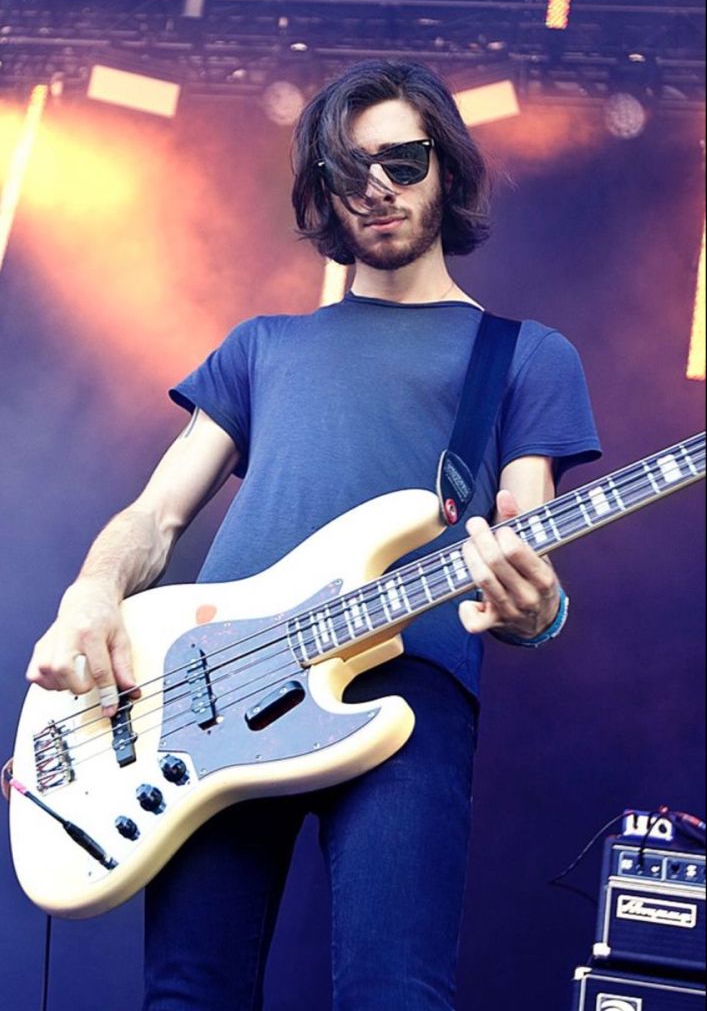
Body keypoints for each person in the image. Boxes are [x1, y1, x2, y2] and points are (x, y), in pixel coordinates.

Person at [26, 60, 601, 1010]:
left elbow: (522, 537)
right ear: (323, 194)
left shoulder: (526, 354)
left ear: (446, 171)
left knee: (393, 992)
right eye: (348, 169)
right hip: (207, 687)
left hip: (405, 689)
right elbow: (155, 516)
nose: (376, 187)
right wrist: (90, 595)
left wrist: (535, 612)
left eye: (402, 161)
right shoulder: (262, 346)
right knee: (187, 993)